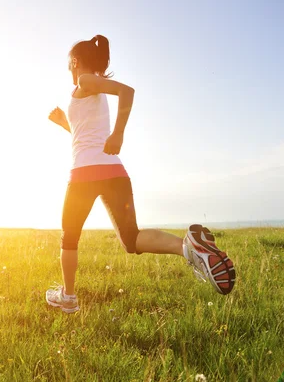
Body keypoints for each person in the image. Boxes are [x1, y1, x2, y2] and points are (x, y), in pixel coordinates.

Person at [46, 35, 236, 314]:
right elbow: (84, 138)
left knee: (70, 237)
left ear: (74, 62)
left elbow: (128, 91)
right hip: (113, 172)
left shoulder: (85, 82)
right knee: (131, 239)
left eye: (68, 65)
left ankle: (69, 297)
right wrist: (65, 122)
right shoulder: (91, 89)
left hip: (84, 175)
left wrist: (118, 133)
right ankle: (189, 249)